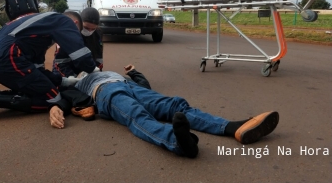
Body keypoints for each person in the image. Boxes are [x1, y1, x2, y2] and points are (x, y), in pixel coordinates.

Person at [49, 65, 279, 159]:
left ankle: (232, 127)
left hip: (132, 86)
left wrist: (135, 72)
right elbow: (65, 100)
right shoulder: (76, 84)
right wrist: (56, 108)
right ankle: (179, 142)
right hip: (106, 94)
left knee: (174, 105)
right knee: (137, 116)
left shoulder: (106, 70)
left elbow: (142, 82)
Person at [0, 0, 99, 112]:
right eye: (77, 32)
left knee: (34, 91)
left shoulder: (36, 29)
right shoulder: (63, 21)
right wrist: (94, 71)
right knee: (55, 99)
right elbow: (80, 56)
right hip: (7, 57)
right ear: (75, 23)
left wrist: (63, 81)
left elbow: (37, 70)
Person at [53, 7, 104, 77]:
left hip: (87, 68)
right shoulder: (68, 34)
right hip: (65, 70)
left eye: (93, 29)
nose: (89, 31)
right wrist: (73, 78)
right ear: (79, 23)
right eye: (86, 28)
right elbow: (60, 62)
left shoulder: (98, 34)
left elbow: (99, 56)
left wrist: (96, 72)